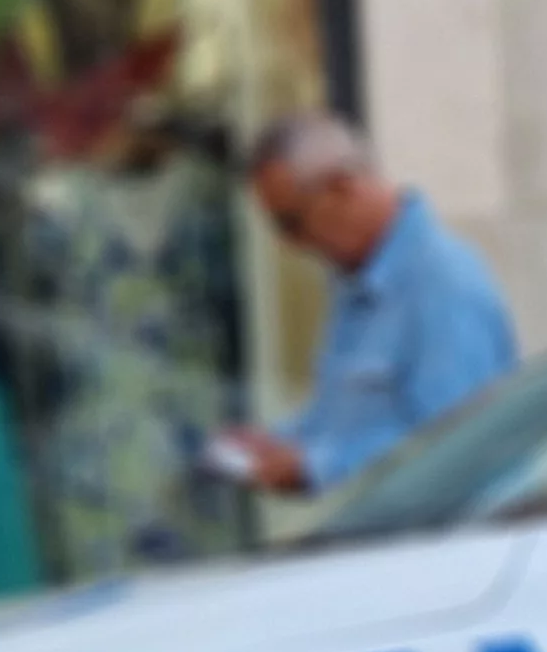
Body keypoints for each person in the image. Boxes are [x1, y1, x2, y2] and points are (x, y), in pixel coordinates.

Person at [220, 111, 518, 494]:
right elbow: (342, 421)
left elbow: (451, 450)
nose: (288, 244)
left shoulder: (442, 286)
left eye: (290, 222)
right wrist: (275, 444)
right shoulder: (357, 281)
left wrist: (312, 468)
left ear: (342, 188)